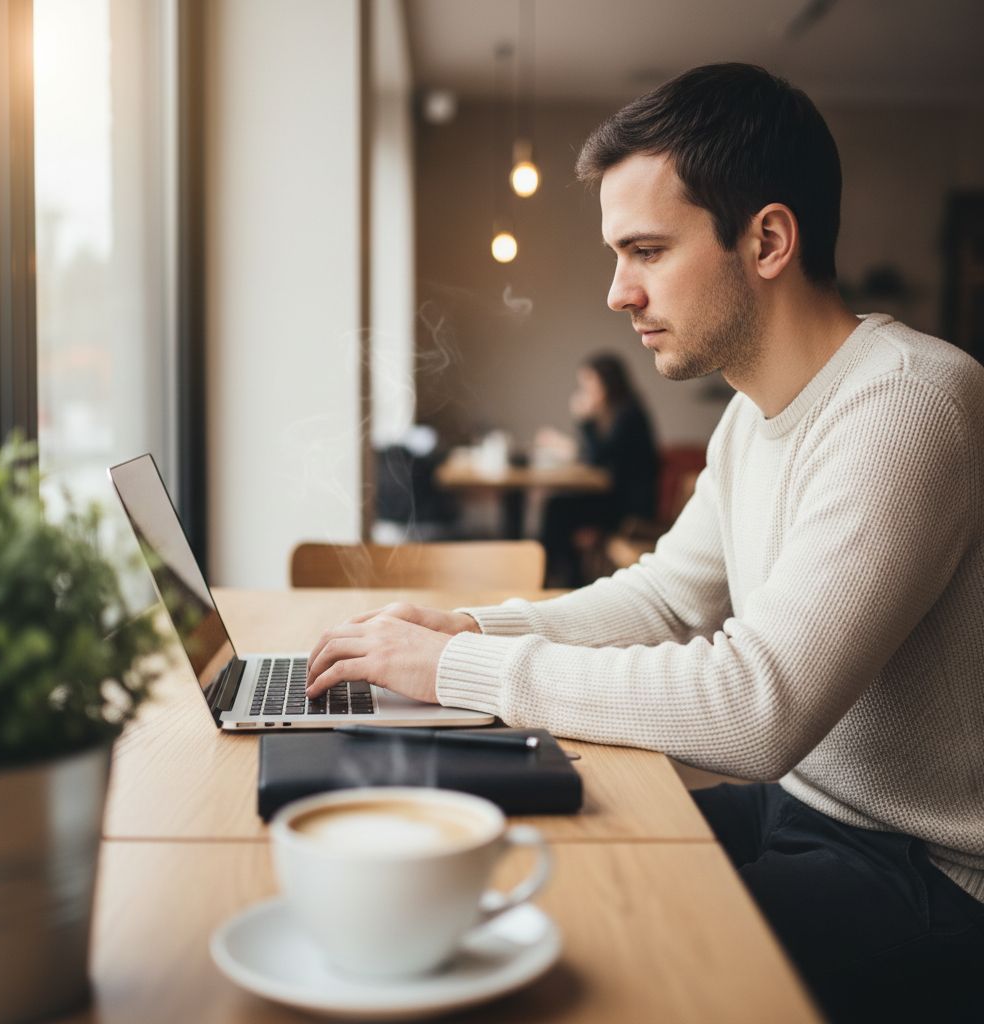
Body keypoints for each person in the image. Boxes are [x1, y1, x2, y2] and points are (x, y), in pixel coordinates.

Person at [306, 63, 984, 1022]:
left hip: (930, 875)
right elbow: (665, 600)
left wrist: (458, 669)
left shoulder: (909, 401)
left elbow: (758, 707)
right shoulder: (754, 418)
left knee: (585, 966)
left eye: (647, 251)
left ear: (769, 240)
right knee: (533, 871)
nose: (619, 292)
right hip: (802, 813)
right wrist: (467, 628)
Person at [536, 352, 659, 586]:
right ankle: (566, 577)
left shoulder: (628, 415)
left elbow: (596, 458)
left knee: (557, 509)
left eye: (589, 383)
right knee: (559, 506)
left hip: (630, 508)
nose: (586, 390)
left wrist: (585, 420)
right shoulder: (624, 411)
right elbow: (599, 456)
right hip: (619, 499)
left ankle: (560, 579)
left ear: (607, 383)